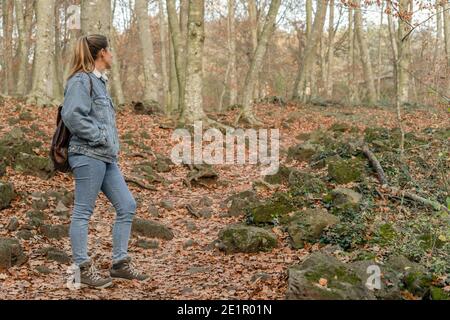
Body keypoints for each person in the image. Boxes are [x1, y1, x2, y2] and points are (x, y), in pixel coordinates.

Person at [62, 34, 148, 288]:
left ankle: (120, 264)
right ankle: (82, 268)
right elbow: (72, 115)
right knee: (83, 211)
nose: (112, 54)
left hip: (105, 157)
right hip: (87, 154)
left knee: (127, 205)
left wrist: (107, 142)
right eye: (109, 50)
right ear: (101, 53)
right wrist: (99, 136)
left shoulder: (100, 83)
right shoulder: (80, 80)